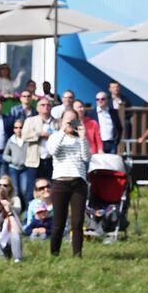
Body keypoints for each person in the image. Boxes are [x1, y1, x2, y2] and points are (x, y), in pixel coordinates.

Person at [45, 106, 92, 257]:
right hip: (60, 183)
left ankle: (77, 255)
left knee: (77, 222)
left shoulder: (80, 139)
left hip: (78, 183)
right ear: (61, 121)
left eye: (74, 120)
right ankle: (54, 254)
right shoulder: (55, 136)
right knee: (59, 222)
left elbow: (86, 157)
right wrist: (63, 131)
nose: (71, 123)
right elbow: (53, 151)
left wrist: (83, 137)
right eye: (68, 120)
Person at [19, 96, 55, 198]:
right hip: (34, 160)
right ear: (37, 108)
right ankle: (30, 207)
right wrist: (39, 134)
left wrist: (52, 136)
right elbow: (24, 136)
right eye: (42, 105)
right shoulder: (30, 121)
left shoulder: (56, 122)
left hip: (51, 160)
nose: (46, 107)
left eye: (48, 105)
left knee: (50, 187)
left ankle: (48, 206)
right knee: (32, 188)